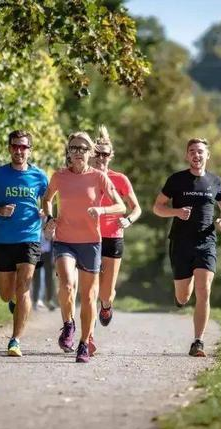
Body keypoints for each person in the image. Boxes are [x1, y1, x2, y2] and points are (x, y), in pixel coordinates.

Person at [41, 132, 126, 363]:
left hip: (91, 242)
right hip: (65, 239)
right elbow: (47, 198)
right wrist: (49, 218)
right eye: (74, 148)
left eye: (82, 148)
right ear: (68, 151)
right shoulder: (59, 176)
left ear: (90, 153)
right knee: (67, 284)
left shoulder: (98, 177)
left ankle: (83, 343)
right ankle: (68, 324)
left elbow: (120, 206)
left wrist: (102, 211)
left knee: (89, 296)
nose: (78, 152)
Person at [152, 138, 221, 357]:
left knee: (204, 290)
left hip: (206, 241)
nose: (196, 155)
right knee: (184, 296)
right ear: (187, 156)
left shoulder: (215, 181)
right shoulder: (176, 180)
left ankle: (198, 341)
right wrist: (175, 212)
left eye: (200, 152)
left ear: (207, 156)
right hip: (180, 242)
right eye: (192, 152)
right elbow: (157, 207)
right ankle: (179, 298)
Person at [0, 130, 48, 357]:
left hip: (29, 238)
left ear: (30, 150)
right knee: (7, 294)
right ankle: (14, 303)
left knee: (24, 288)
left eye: (24, 147)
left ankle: (15, 340)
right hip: (3, 239)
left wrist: (44, 213)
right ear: (9, 148)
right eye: (15, 146)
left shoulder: (39, 176)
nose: (19, 150)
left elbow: (48, 203)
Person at [89, 125, 141, 327]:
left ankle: (107, 304)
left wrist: (128, 220)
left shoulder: (120, 179)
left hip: (113, 236)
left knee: (106, 292)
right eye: (98, 154)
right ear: (92, 155)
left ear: (111, 156)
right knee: (90, 287)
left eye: (105, 155)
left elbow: (136, 208)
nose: (101, 158)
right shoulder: (85, 177)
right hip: (88, 236)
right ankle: (88, 331)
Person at [32, 235, 57, 311]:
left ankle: (49, 301)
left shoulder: (50, 223)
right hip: (37, 254)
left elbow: (54, 240)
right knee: (36, 278)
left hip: (48, 254)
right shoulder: (36, 224)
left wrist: (54, 255)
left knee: (49, 279)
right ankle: (35, 301)